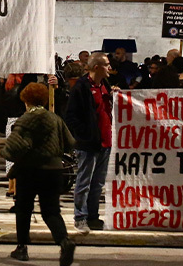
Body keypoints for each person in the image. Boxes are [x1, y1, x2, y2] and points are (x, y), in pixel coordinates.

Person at [1, 82, 75, 266]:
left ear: (26, 100)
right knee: (51, 211)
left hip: (30, 170)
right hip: (54, 170)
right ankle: (64, 241)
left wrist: (3, 152)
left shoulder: (27, 118)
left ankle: (22, 248)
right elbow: (70, 142)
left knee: (23, 209)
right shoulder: (55, 118)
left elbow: (18, 145)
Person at [66, 53, 112, 233]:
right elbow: (71, 116)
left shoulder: (105, 85)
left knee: (98, 183)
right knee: (84, 182)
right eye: (107, 65)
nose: (109, 68)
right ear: (96, 67)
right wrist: (84, 135)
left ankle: (93, 216)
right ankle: (80, 217)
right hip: (89, 143)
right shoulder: (81, 87)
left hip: (105, 142)